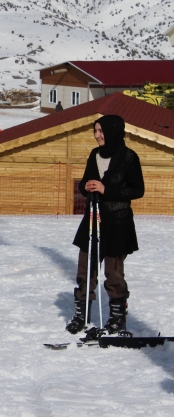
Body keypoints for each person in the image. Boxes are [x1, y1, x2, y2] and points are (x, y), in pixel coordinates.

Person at [66, 115, 144, 336]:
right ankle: (81, 316)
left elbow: (137, 190)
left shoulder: (129, 157)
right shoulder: (94, 154)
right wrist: (87, 187)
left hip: (118, 223)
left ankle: (117, 319)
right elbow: (84, 184)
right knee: (85, 268)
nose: (98, 135)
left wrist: (105, 189)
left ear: (113, 132)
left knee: (113, 272)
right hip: (93, 219)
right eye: (95, 131)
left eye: (101, 131)